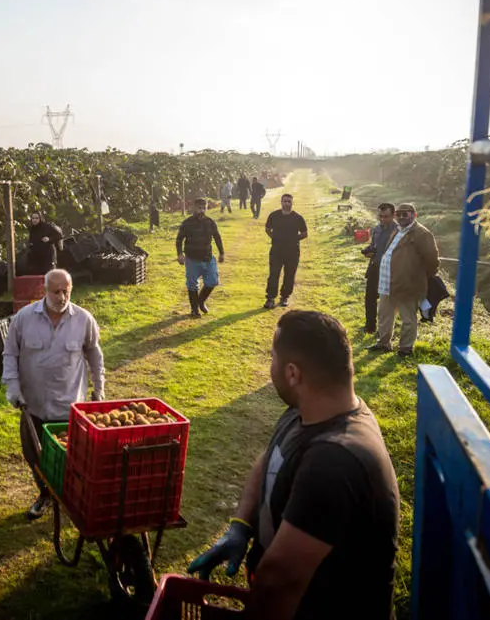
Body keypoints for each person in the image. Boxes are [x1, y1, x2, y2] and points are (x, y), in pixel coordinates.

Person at [187, 310, 401, 620]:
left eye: (272, 358)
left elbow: (279, 580)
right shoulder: (307, 411)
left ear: (292, 374)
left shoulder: (335, 462)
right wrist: (240, 526)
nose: (269, 367)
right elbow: (269, 458)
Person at [2, 269, 105, 519]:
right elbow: (10, 354)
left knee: (71, 457)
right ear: (44, 290)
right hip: (34, 405)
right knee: (33, 455)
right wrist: (13, 387)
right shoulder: (24, 318)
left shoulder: (83, 319)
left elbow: (94, 353)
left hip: (69, 408)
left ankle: (72, 495)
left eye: (66, 291)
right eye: (56, 291)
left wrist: (99, 387)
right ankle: (45, 493)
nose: (61, 297)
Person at [369, 203, 440, 357]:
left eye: (405, 214)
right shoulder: (398, 230)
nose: (401, 217)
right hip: (388, 281)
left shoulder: (422, 234)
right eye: (399, 214)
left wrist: (418, 276)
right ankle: (383, 343)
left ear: (414, 215)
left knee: (408, 317)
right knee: (384, 314)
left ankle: (405, 348)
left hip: (407, 283)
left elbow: (432, 260)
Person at [176, 198, 225, 318]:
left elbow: (217, 237)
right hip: (192, 259)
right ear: (193, 208)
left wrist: (221, 253)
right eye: (199, 208)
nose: (202, 210)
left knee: (213, 280)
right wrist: (180, 254)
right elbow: (179, 239)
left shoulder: (210, 222)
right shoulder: (186, 223)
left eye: (204, 208)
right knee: (192, 284)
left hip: (208, 258)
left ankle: (201, 301)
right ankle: (194, 310)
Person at [263, 193, 307, 309]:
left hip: (292, 251)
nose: (286, 203)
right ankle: (270, 298)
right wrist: (275, 238)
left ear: (292, 203)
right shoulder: (274, 216)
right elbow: (267, 229)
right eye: (285, 201)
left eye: (289, 201)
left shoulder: (298, 218)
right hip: (276, 250)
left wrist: (293, 239)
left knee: (289, 275)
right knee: (273, 274)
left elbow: (304, 234)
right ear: (281, 202)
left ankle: (284, 297)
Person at [361, 203, 397, 334]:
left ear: (394, 215)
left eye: (386, 216)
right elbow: (374, 246)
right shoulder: (377, 229)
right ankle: (370, 326)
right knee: (370, 297)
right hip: (375, 267)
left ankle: (384, 331)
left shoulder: (398, 231)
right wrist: (368, 251)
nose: (382, 219)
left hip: (390, 270)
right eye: (380, 216)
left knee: (386, 302)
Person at [26, 210, 65, 275]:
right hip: (37, 258)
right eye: (33, 218)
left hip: (48, 257)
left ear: (40, 218)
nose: (34, 220)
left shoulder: (47, 226)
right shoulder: (32, 229)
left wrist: (49, 239)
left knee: (49, 275)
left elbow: (59, 236)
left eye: (36, 218)